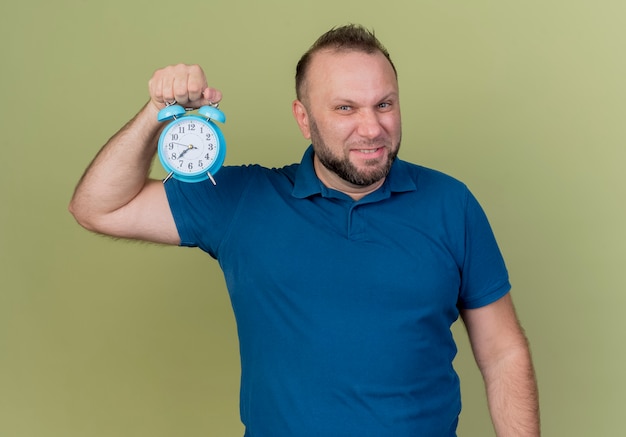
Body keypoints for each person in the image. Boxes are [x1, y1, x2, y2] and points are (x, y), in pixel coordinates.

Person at [69, 24, 540, 436]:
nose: (371, 128)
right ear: (304, 119)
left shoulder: (450, 203)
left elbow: (503, 353)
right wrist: (157, 112)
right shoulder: (241, 199)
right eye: (345, 108)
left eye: (384, 104)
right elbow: (100, 207)